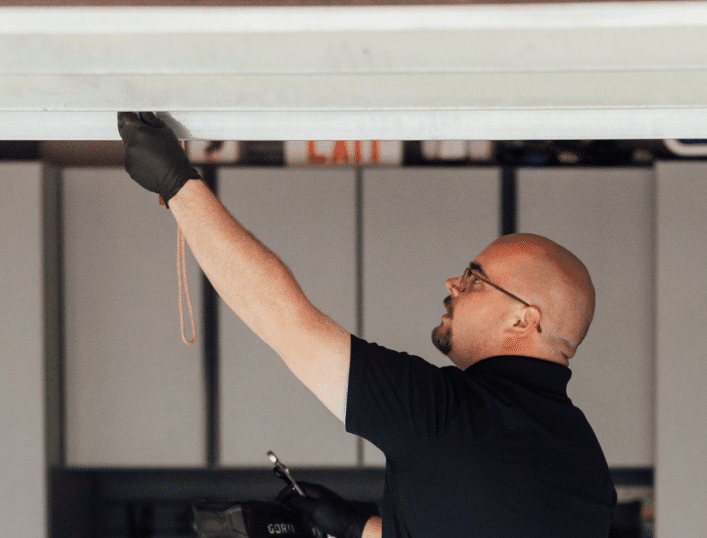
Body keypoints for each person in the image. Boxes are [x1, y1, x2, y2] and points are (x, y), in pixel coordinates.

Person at [118, 112, 616, 538]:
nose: (453, 282)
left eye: (473, 277)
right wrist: (354, 524)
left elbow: (287, 323)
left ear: (523, 317)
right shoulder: (586, 470)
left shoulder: (448, 416)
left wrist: (177, 184)